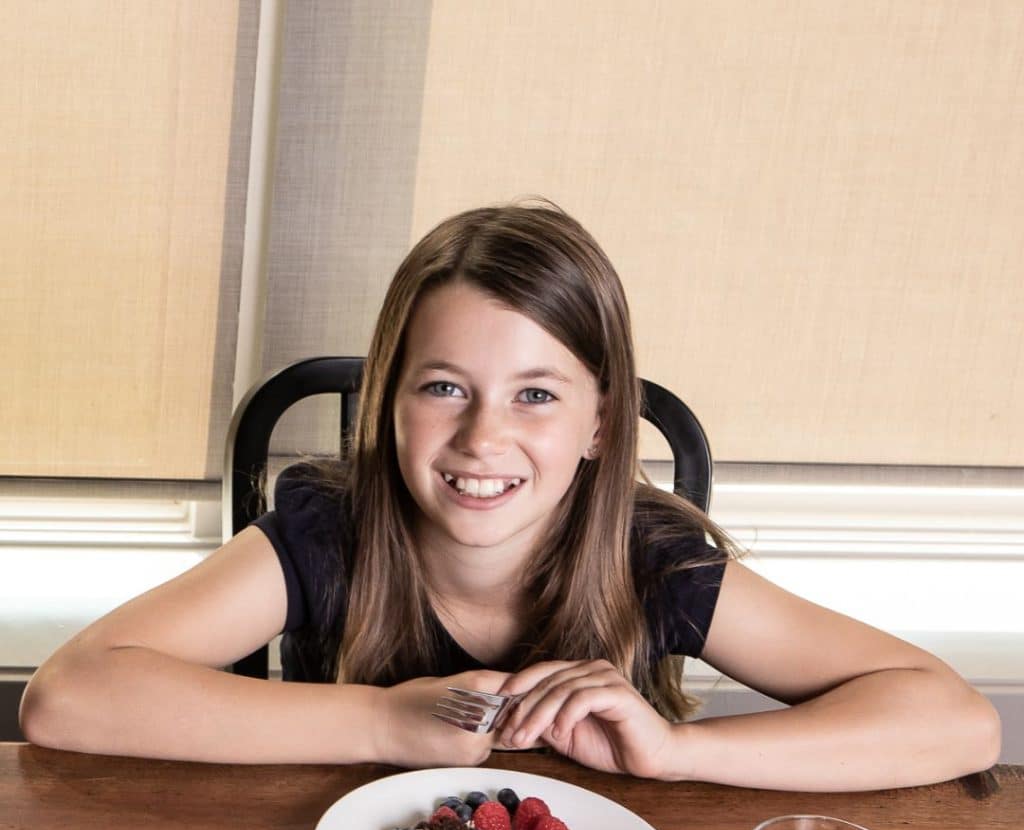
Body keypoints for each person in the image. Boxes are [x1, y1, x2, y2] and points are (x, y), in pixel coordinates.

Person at [20, 200, 1000, 790]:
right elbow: (69, 696)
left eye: (535, 395)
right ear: (389, 405)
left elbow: (956, 720)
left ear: (601, 425)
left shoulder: (646, 554)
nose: (483, 437)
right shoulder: (330, 530)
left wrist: (677, 751)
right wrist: (380, 721)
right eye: (443, 386)